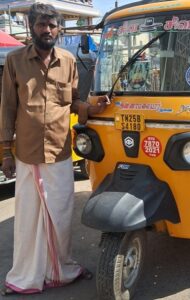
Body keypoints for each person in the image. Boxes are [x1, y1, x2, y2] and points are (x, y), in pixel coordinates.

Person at [0, 2, 109, 296]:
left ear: (59, 29)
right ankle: (25, 277)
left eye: (51, 25)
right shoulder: (15, 60)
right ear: (31, 27)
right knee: (27, 219)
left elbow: (71, 102)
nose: (46, 30)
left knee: (61, 215)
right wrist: (6, 152)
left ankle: (61, 270)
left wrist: (90, 107)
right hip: (26, 153)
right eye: (40, 24)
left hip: (60, 151)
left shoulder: (68, 60)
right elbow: (8, 107)